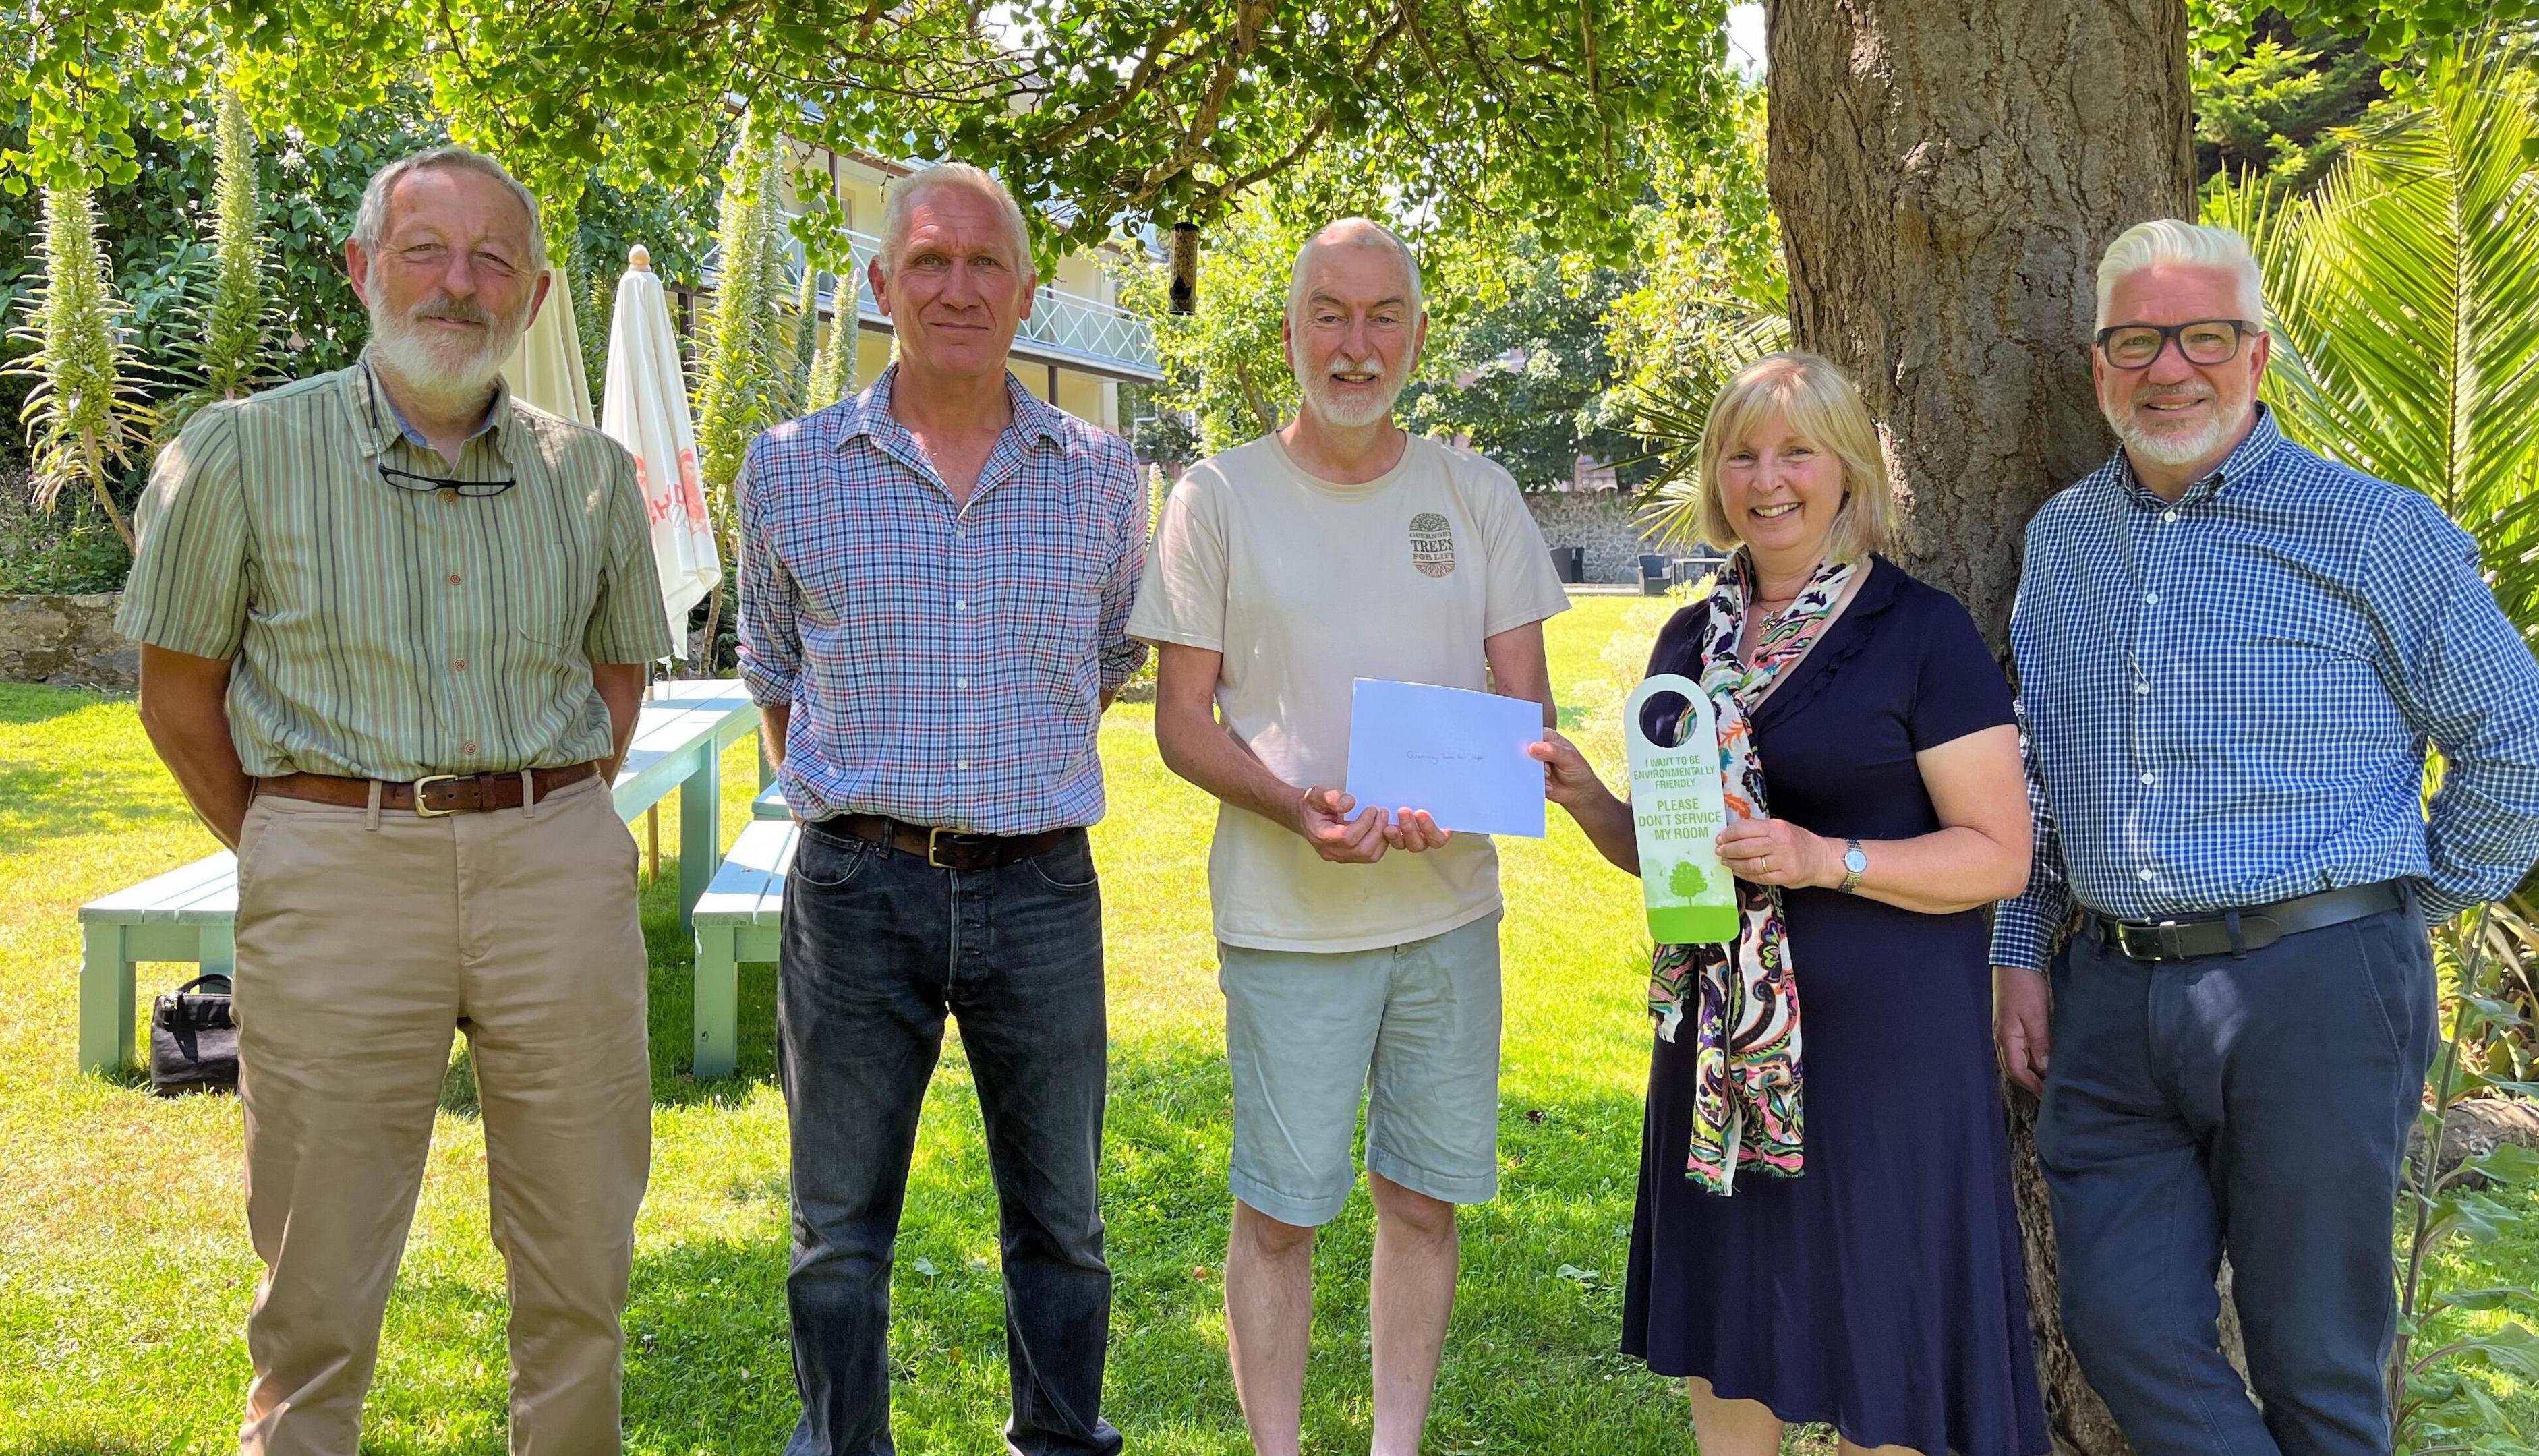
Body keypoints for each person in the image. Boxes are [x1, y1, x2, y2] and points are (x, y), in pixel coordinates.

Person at [1989, 219, 2539, 1456]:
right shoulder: (2060, 539)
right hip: (2107, 997)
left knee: (2317, 1363)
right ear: (2099, 365)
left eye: (2205, 337)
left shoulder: (2372, 529)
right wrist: (2019, 948)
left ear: (2258, 355)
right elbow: (2027, 770)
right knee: (2124, 1328)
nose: (2170, 369)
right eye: (2138, 341)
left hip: (2316, 990)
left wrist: (2392, 912)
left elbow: (2529, 749)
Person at [117, 146, 671, 1453]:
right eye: (426, 250)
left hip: (557, 869)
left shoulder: (591, 476)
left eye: (495, 261)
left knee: (584, 1258)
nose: (459, 284)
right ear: (363, 269)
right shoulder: (240, 454)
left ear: (535, 301)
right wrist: (291, 835)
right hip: (335, 867)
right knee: (315, 1277)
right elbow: (175, 692)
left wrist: (539, 818)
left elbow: (616, 687)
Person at [1534, 352, 2049, 1456]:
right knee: (1732, 1326)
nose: (1768, 479)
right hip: (1722, 1050)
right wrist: (1590, 805)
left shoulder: (1920, 631)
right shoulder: (1690, 645)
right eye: (1742, 454)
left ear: (1849, 467)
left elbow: (2001, 855)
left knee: (1883, 1333)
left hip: (1884, 1054)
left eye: (1796, 451)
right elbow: (1686, 861)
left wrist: (1829, 860)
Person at [1127, 217, 1567, 1454]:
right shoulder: (1217, 496)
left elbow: (1523, 712)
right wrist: (1294, 805)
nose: (1356, 345)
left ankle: (1394, 1445)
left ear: (1420, 336)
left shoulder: (1476, 495)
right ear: (1289, 334)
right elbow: (1179, 722)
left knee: (1422, 1205)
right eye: (1330, 313)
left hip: (1446, 914)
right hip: (1286, 923)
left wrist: (1468, 792)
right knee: (1280, 1213)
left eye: (1383, 318)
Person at [736, 162, 1148, 1456]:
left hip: (1040, 887)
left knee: (1064, 1225)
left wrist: (1003, 792)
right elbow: (773, 673)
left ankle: (1060, 1443)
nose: (957, 286)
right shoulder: (790, 466)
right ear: (881, 286)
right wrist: (869, 811)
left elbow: (1107, 662)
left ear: (1026, 291)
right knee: (838, 1235)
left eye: (984, 264)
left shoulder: (1099, 474)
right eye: (928, 260)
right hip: (855, 893)